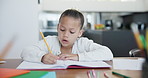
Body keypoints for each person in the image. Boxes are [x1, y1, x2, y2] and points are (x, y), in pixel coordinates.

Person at [21, 9, 113, 64]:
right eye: (62, 30)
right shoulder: (50, 41)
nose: (65, 35)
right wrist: (42, 56)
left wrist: (78, 57)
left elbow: (107, 53)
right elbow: (25, 51)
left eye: (72, 32)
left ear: (79, 33)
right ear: (57, 28)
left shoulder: (83, 43)